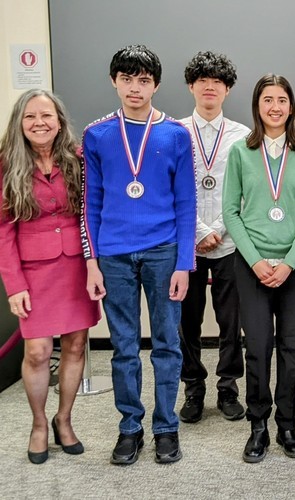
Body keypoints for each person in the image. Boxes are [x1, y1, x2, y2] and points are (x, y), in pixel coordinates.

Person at [82, 45, 195, 465]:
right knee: (125, 346)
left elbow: (186, 204)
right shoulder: (97, 134)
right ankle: (130, 427)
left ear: (156, 85)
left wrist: (185, 263)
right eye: (127, 79)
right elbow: (89, 203)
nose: (135, 87)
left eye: (144, 80)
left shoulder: (174, 134)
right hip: (112, 255)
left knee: (167, 343)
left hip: (164, 252)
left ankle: (166, 427)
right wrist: (91, 261)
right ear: (114, 81)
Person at [223, 74, 295, 462]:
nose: (275, 107)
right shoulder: (240, 152)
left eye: (282, 99)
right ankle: (258, 425)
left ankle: (288, 424)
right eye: (268, 99)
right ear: (257, 105)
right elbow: (231, 212)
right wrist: (257, 261)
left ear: (292, 106)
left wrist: (289, 262)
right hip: (252, 265)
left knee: (291, 347)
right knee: (259, 346)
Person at [0, 89, 101, 464]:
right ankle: (39, 423)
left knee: (75, 346)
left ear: (59, 121)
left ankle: (65, 419)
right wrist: (14, 285)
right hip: (33, 272)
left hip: (77, 266)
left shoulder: (77, 159)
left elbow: (91, 212)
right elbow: (3, 230)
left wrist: (96, 264)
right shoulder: (6, 164)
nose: (39, 123)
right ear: (19, 124)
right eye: (30, 117)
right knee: (39, 351)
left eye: (46, 116)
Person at [177, 51, 250, 424]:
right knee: (186, 321)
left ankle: (227, 388)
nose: (210, 86)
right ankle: (192, 388)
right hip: (186, 244)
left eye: (217, 81)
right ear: (191, 86)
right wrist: (199, 232)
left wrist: (219, 229)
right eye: (202, 80)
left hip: (230, 241)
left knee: (229, 319)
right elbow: (169, 190)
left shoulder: (243, 136)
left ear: (227, 89)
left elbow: (246, 191)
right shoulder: (173, 132)